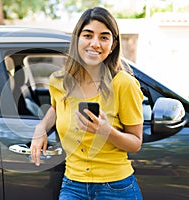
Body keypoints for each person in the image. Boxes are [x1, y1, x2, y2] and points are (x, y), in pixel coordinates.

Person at [30, 6, 144, 200]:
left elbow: (135, 143)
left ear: (113, 45)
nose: (95, 44)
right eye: (88, 35)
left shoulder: (124, 84)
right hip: (73, 186)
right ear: (77, 40)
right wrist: (41, 128)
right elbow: (56, 107)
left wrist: (106, 131)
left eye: (104, 37)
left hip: (116, 188)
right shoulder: (59, 82)